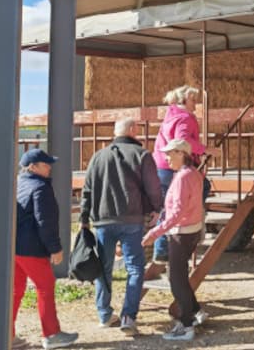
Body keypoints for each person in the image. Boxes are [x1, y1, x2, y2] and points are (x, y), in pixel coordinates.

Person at [80, 118, 162, 336]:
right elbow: (153, 187)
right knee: (135, 268)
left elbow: (87, 190)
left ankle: (104, 315)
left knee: (104, 267)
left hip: (103, 220)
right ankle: (128, 317)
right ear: (133, 130)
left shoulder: (98, 156)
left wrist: (83, 218)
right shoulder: (142, 155)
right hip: (132, 219)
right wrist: (157, 208)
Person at [12, 149, 78, 350]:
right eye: (45, 164)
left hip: (15, 249)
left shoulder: (18, 184)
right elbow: (45, 222)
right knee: (45, 287)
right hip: (33, 249)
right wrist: (55, 248)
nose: (50, 167)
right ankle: (51, 334)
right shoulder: (41, 187)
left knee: (15, 291)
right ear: (33, 167)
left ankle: (6, 334)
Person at [142, 139, 208, 342]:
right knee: (179, 278)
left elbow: (177, 212)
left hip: (181, 233)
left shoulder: (182, 177)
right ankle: (195, 312)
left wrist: (155, 233)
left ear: (181, 154)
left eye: (170, 153)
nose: (166, 157)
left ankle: (186, 326)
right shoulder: (193, 174)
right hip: (190, 230)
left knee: (176, 281)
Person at [151, 85, 218, 264]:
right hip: (174, 164)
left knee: (168, 206)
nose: (195, 103)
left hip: (161, 164)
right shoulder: (185, 118)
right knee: (200, 188)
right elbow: (183, 140)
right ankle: (190, 225)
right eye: (193, 100)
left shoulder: (170, 115)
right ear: (184, 100)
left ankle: (162, 249)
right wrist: (205, 149)